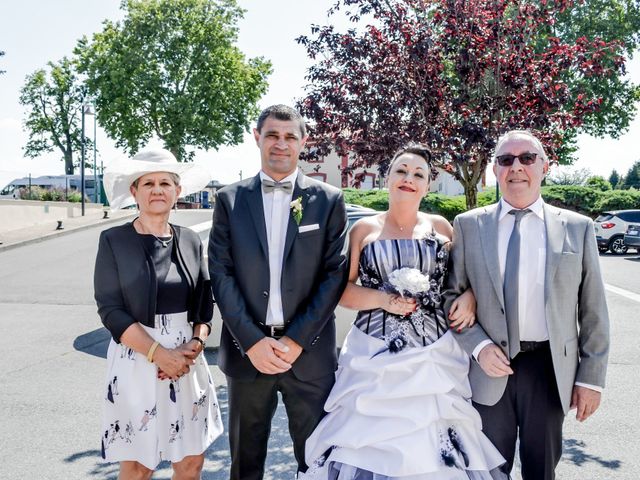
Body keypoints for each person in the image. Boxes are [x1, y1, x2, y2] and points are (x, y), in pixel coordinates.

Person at [301, 144, 508, 480]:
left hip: (435, 355)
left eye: (418, 174)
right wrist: (383, 300)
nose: (408, 179)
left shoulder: (442, 227)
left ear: (428, 185)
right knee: (367, 439)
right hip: (374, 356)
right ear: (387, 179)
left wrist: (469, 294)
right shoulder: (363, 231)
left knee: (438, 437)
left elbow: (465, 280)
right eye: (401, 171)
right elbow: (345, 293)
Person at [445, 130, 610, 479]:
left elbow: (593, 309)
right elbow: (450, 297)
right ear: (495, 170)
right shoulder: (469, 225)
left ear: (545, 166)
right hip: (489, 369)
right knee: (488, 469)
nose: (516, 167)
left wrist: (591, 379)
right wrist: (479, 347)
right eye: (506, 160)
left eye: (526, 158)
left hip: (549, 369)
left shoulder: (578, 229)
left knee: (542, 469)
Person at [208, 104, 350, 479]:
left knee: (317, 462)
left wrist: (298, 340)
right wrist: (252, 341)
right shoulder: (229, 199)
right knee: (245, 462)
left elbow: (334, 274)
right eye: (272, 135)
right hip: (247, 355)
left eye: (290, 136)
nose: (281, 144)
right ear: (257, 137)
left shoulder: (328, 200)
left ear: (304, 142)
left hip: (309, 354)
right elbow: (221, 273)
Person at [95, 149, 223, 479]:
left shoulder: (191, 239)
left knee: (192, 460)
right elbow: (110, 309)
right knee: (139, 465)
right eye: (148, 183)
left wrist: (193, 346)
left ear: (177, 191)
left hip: (187, 359)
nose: (157, 189)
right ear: (134, 191)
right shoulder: (113, 240)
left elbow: (204, 305)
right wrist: (159, 354)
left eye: (165, 182)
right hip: (137, 357)